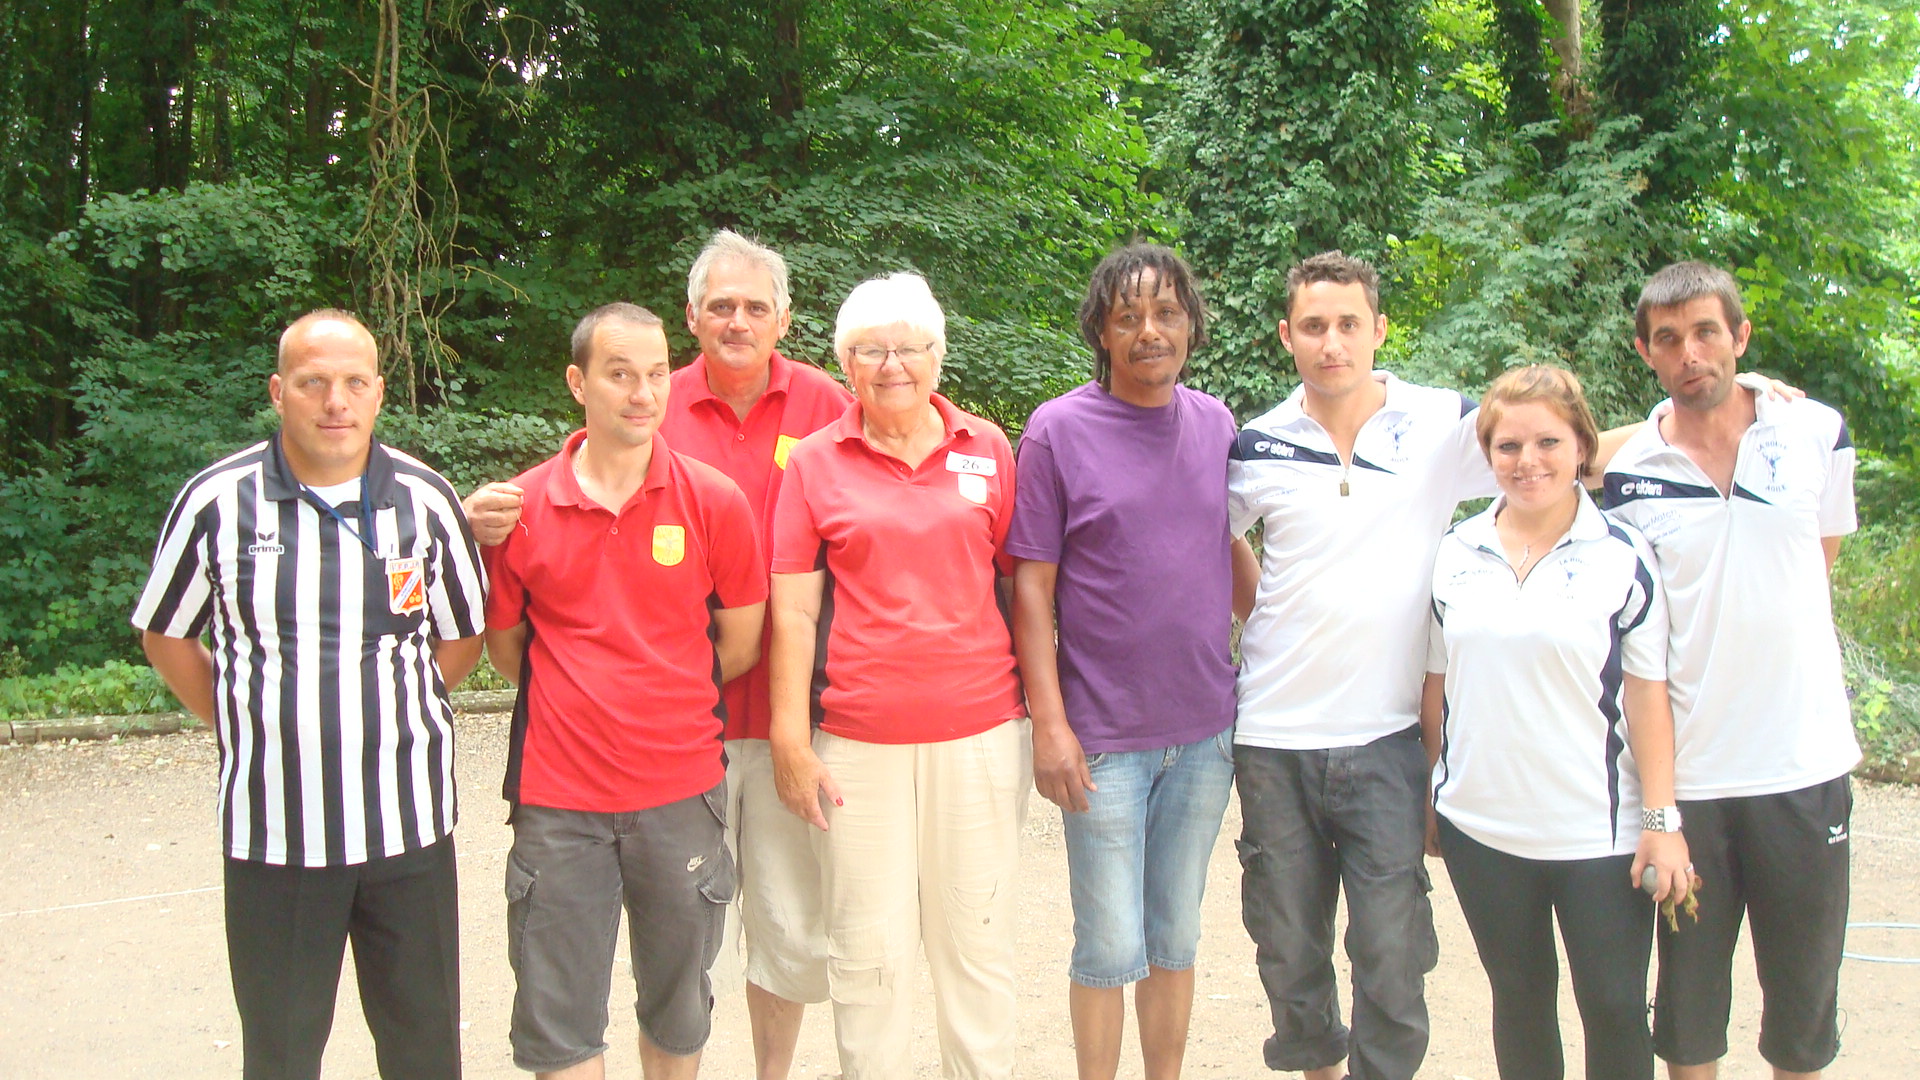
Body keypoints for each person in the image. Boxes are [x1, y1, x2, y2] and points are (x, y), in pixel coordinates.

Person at [466, 230, 849, 1080]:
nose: (737, 319)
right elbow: (511, 644)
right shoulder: (586, 456)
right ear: (692, 317)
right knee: (585, 999)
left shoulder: (822, 408)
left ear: (785, 318)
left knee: (764, 947)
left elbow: (752, 629)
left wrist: (669, 686)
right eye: (720, 305)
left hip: (768, 729)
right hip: (608, 772)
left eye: (755, 305)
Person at [132, 309, 488, 1080]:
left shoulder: (425, 501)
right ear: (278, 391)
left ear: (379, 394)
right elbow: (165, 634)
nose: (336, 400)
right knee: (283, 1054)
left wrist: (387, 707)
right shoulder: (216, 503)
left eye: (354, 382)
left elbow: (462, 639)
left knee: (424, 1050)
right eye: (313, 382)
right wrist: (242, 718)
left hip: (409, 834)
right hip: (276, 839)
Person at [482, 303, 767, 1080]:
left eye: (656, 374)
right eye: (619, 374)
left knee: (679, 1008)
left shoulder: (714, 501)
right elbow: (509, 651)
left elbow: (738, 644)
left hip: (681, 795)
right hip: (557, 802)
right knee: (560, 1020)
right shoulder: (522, 508)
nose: (642, 393)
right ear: (578, 383)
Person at [767, 272, 1029, 1080]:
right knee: (868, 955)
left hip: (981, 734)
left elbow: (1021, 588)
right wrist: (788, 737)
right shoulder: (814, 462)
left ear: (937, 355)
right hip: (857, 742)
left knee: (977, 945)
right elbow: (794, 613)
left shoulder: (988, 448)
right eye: (870, 350)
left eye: (909, 347)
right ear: (845, 362)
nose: (892, 365)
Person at [1603, 262, 1859, 1080]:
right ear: (1645, 351)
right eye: (1669, 339)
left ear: (1740, 338)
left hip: (1804, 768)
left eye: (1708, 331)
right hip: (1692, 785)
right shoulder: (1625, 470)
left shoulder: (1816, 431)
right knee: (1688, 1015)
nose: (1691, 353)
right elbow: (1542, 449)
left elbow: (1817, 564)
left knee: (1802, 1010)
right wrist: (1660, 806)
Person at [1008, 244, 1252, 1080]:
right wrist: (1051, 725)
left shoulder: (1217, 423)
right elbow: (1030, 589)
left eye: (1168, 313)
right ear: (1102, 333)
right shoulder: (1056, 431)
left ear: (1190, 325)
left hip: (1203, 732)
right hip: (1102, 738)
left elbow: (1225, 549)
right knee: (1109, 945)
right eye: (1129, 317)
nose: (1151, 331)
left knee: (1176, 936)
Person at [1421, 364, 1692, 1080]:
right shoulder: (1454, 552)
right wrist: (1432, 794)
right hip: (1482, 830)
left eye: (1547, 442)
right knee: (1519, 1000)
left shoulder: (1623, 557)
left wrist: (1662, 824)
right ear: (1488, 455)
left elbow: (1647, 694)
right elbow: (1438, 683)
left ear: (1582, 449)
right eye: (1508, 446)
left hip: (1594, 834)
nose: (1527, 461)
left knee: (1611, 1007)